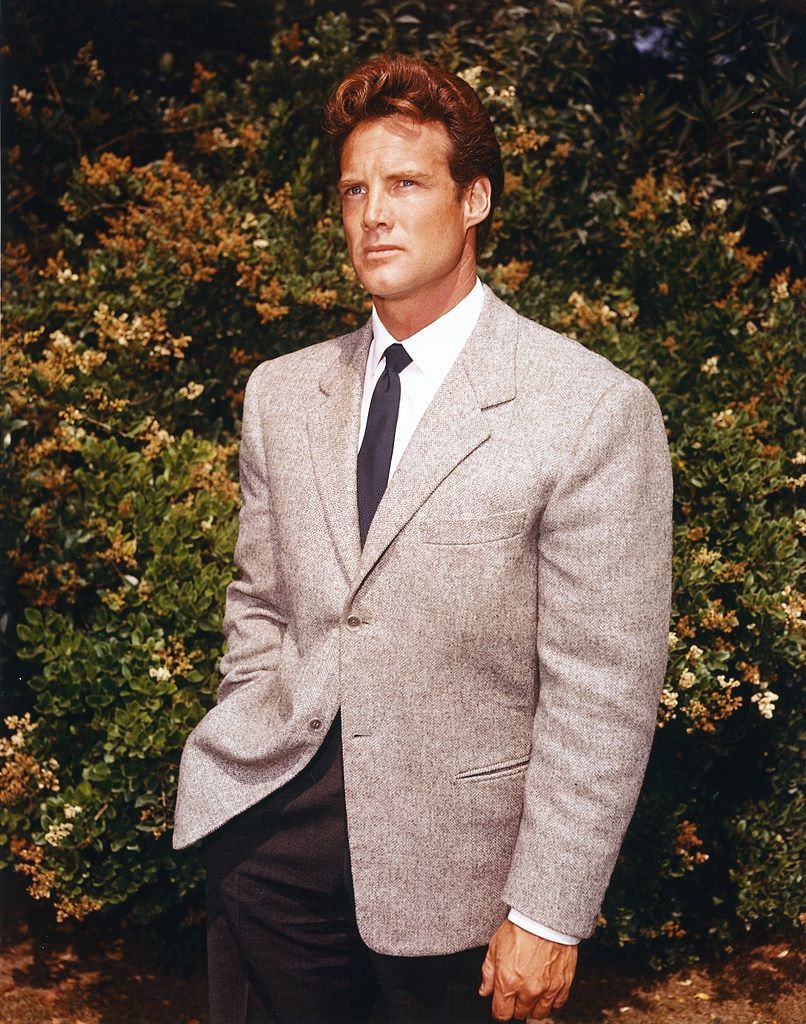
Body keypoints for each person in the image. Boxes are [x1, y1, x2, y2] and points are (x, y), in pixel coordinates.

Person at [173, 53, 673, 1024]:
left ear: (474, 197)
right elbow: (259, 603)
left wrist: (551, 911)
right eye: (355, 189)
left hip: (461, 885)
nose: (374, 213)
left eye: (405, 183)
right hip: (271, 856)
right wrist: (245, 746)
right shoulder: (282, 392)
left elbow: (603, 688)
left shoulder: (591, 409)